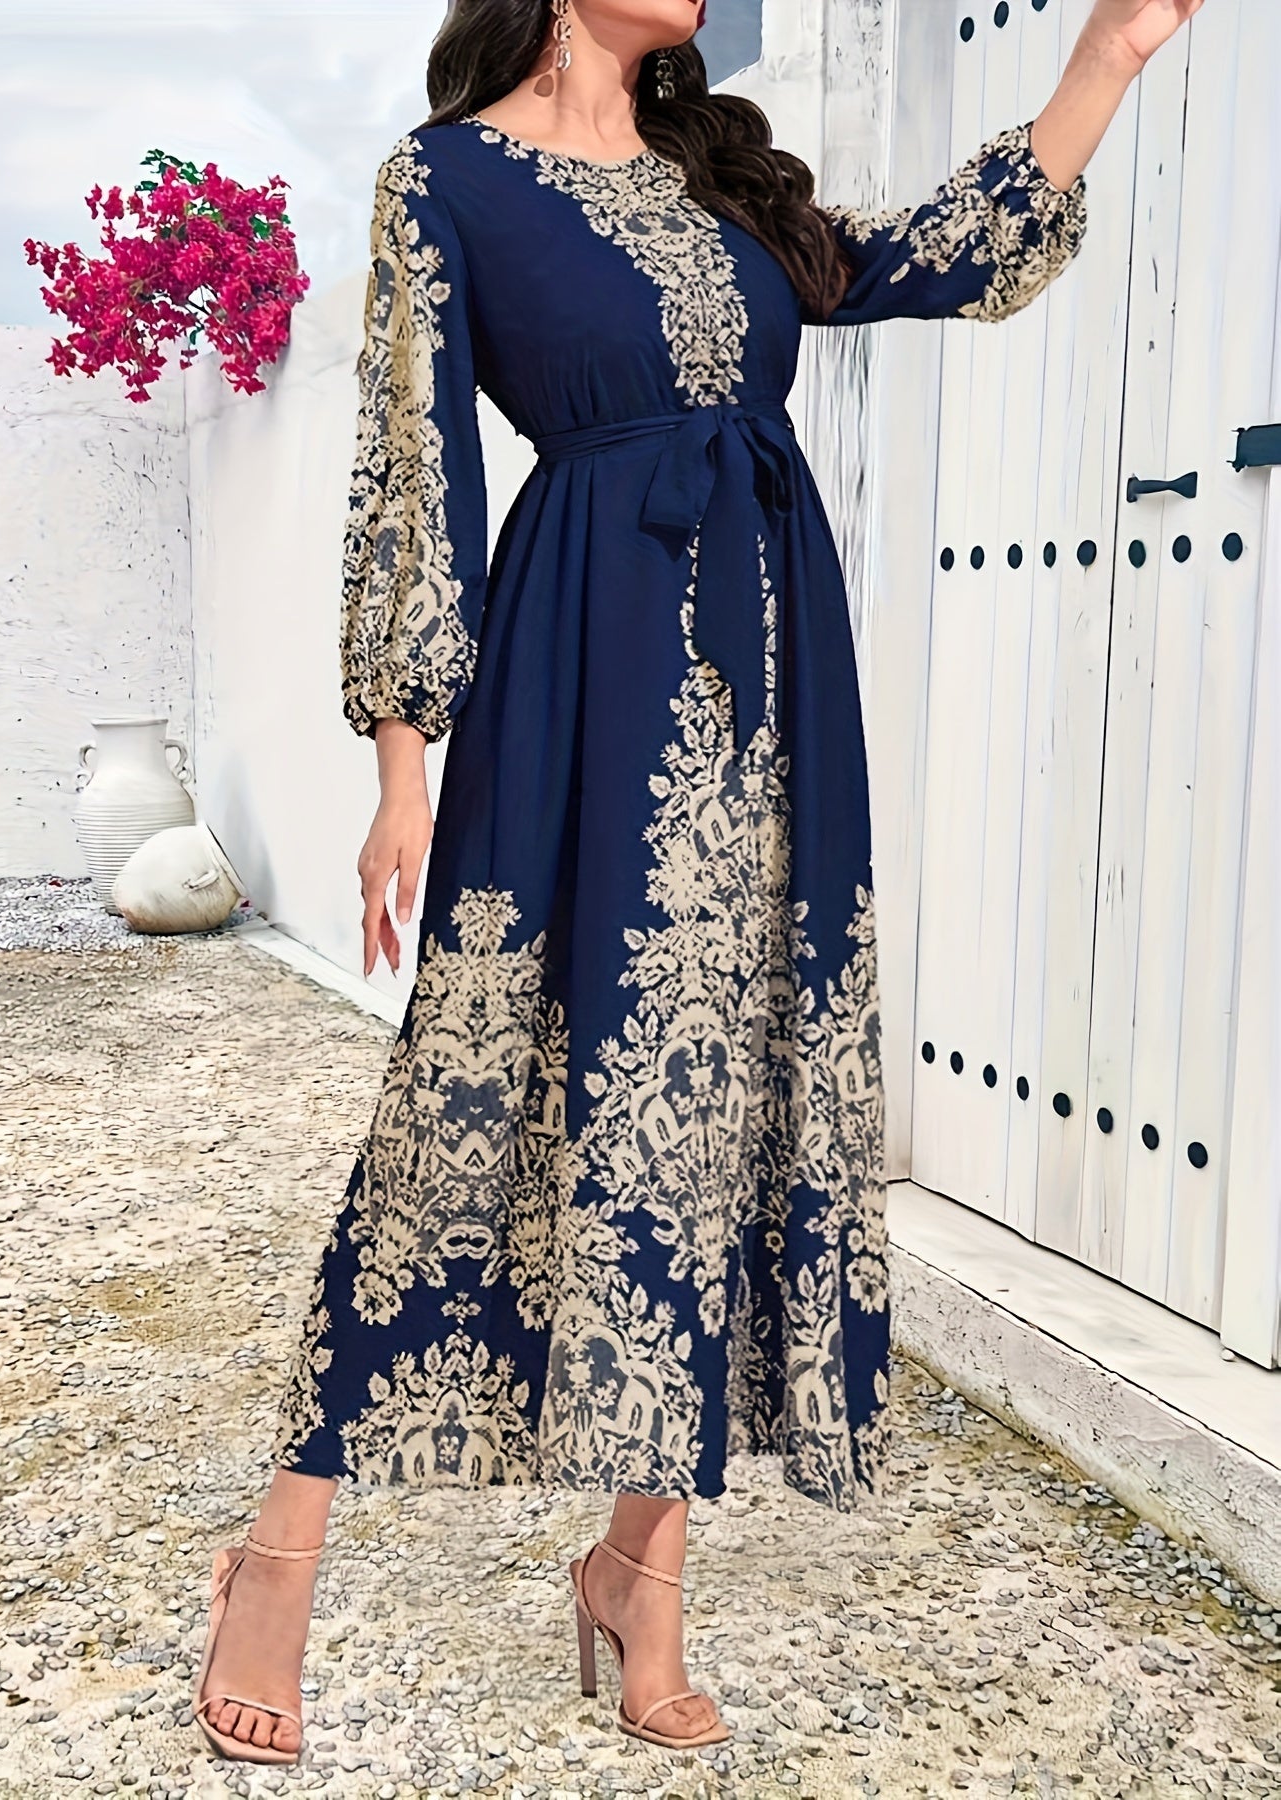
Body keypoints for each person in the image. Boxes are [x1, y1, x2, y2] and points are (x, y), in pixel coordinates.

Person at [191, 0, 1202, 1766]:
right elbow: (412, 467)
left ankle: (638, 1576)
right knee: (462, 1109)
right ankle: (273, 1562)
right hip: (578, 671)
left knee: (727, 1115)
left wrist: (1101, 62)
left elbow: (929, 259)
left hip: (772, 683)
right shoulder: (446, 181)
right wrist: (402, 768)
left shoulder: (714, 178)